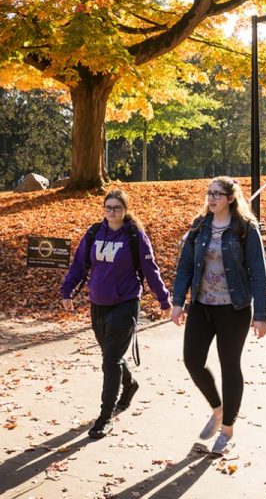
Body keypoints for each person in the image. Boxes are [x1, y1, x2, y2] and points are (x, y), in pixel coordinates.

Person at [170, 177, 266, 458]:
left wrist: (260, 315)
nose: (211, 198)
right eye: (209, 193)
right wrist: (178, 302)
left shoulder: (245, 230)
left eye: (217, 194)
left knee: (229, 365)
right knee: (192, 360)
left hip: (234, 309)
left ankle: (227, 430)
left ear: (230, 198)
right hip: (202, 305)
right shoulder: (199, 226)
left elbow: (259, 274)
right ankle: (217, 409)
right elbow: (185, 266)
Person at [60, 188, 171, 440]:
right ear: (103, 209)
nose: (112, 212)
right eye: (108, 207)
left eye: (117, 208)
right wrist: (66, 291)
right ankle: (129, 385)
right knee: (112, 358)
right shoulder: (93, 233)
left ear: (125, 210)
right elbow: (79, 266)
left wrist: (164, 299)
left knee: (110, 359)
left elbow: (150, 270)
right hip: (98, 304)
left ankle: (105, 416)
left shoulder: (134, 236)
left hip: (126, 304)